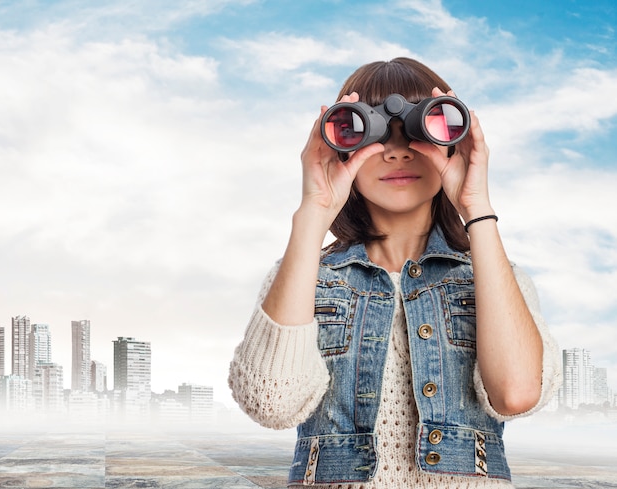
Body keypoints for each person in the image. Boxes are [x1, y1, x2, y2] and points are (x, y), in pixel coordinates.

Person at [228, 57, 561, 488]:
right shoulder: (303, 274)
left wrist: (476, 206)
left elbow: (515, 394)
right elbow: (271, 402)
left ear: (454, 143)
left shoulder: (496, 277)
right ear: (337, 144)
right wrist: (313, 212)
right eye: (371, 131)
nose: (398, 150)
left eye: (421, 128)